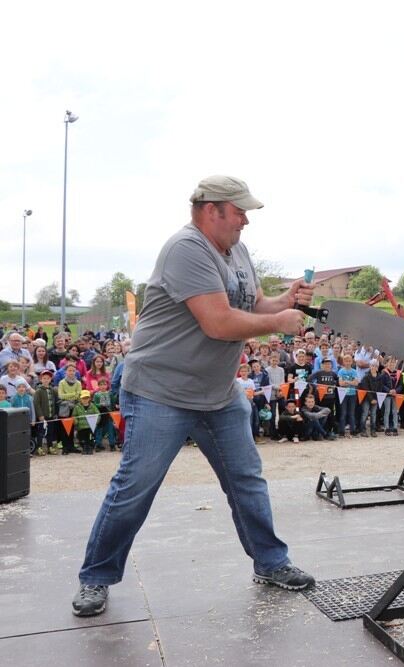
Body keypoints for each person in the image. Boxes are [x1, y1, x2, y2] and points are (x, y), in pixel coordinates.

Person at [71, 175, 315, 618]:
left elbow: (253, 302)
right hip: (161, 391)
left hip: (217, 394)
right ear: (210, 210)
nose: (245, 220)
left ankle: (271, 563)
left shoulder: (236, 250)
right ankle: (96, 577)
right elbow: (219, 323)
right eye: (238, 211)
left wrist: (283, 300)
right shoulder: (186, 249)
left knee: (247, 480)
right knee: (135, 488)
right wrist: (280, 322)